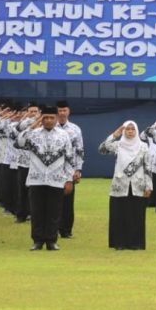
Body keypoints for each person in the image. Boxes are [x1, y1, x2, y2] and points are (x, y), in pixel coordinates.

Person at [15, 106, 75, 251]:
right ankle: (37, 240)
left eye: (51, 118)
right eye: (45, 118)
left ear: (56, 119)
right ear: (41, 118)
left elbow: (69, 158)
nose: (48, 121)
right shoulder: (33, 134)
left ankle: (51, 241)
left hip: (56, 179)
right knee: (36, 211)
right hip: (37, 179)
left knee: (54, 211)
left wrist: (69, 179)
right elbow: (19, 143)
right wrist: (32, 126)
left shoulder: (63, 135)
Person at [98, 121, 152, 250]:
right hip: (120, 185)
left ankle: (135, 243)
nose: (130, 131)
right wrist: (114, 135)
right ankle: (119, 243)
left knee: (136, 215)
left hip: (137, 185)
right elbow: (102, 149)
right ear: (124, 131)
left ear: (137, 131)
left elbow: (148, 167)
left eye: (133, 129)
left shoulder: (143, 146)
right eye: (127, 129)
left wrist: (149, 186)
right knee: (119, 215)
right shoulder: (118, 145)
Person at [55, 101, 84, 239]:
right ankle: (52, 228)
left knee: (68, 201)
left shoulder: (75, 129)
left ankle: (66, 230)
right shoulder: (50, 127)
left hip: (69, 169)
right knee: (52, 200)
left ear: (69, 111)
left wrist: (78, 169)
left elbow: (79, 150)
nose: (62, 113)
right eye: (59, 110)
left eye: (64, 110)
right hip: (52, 169)